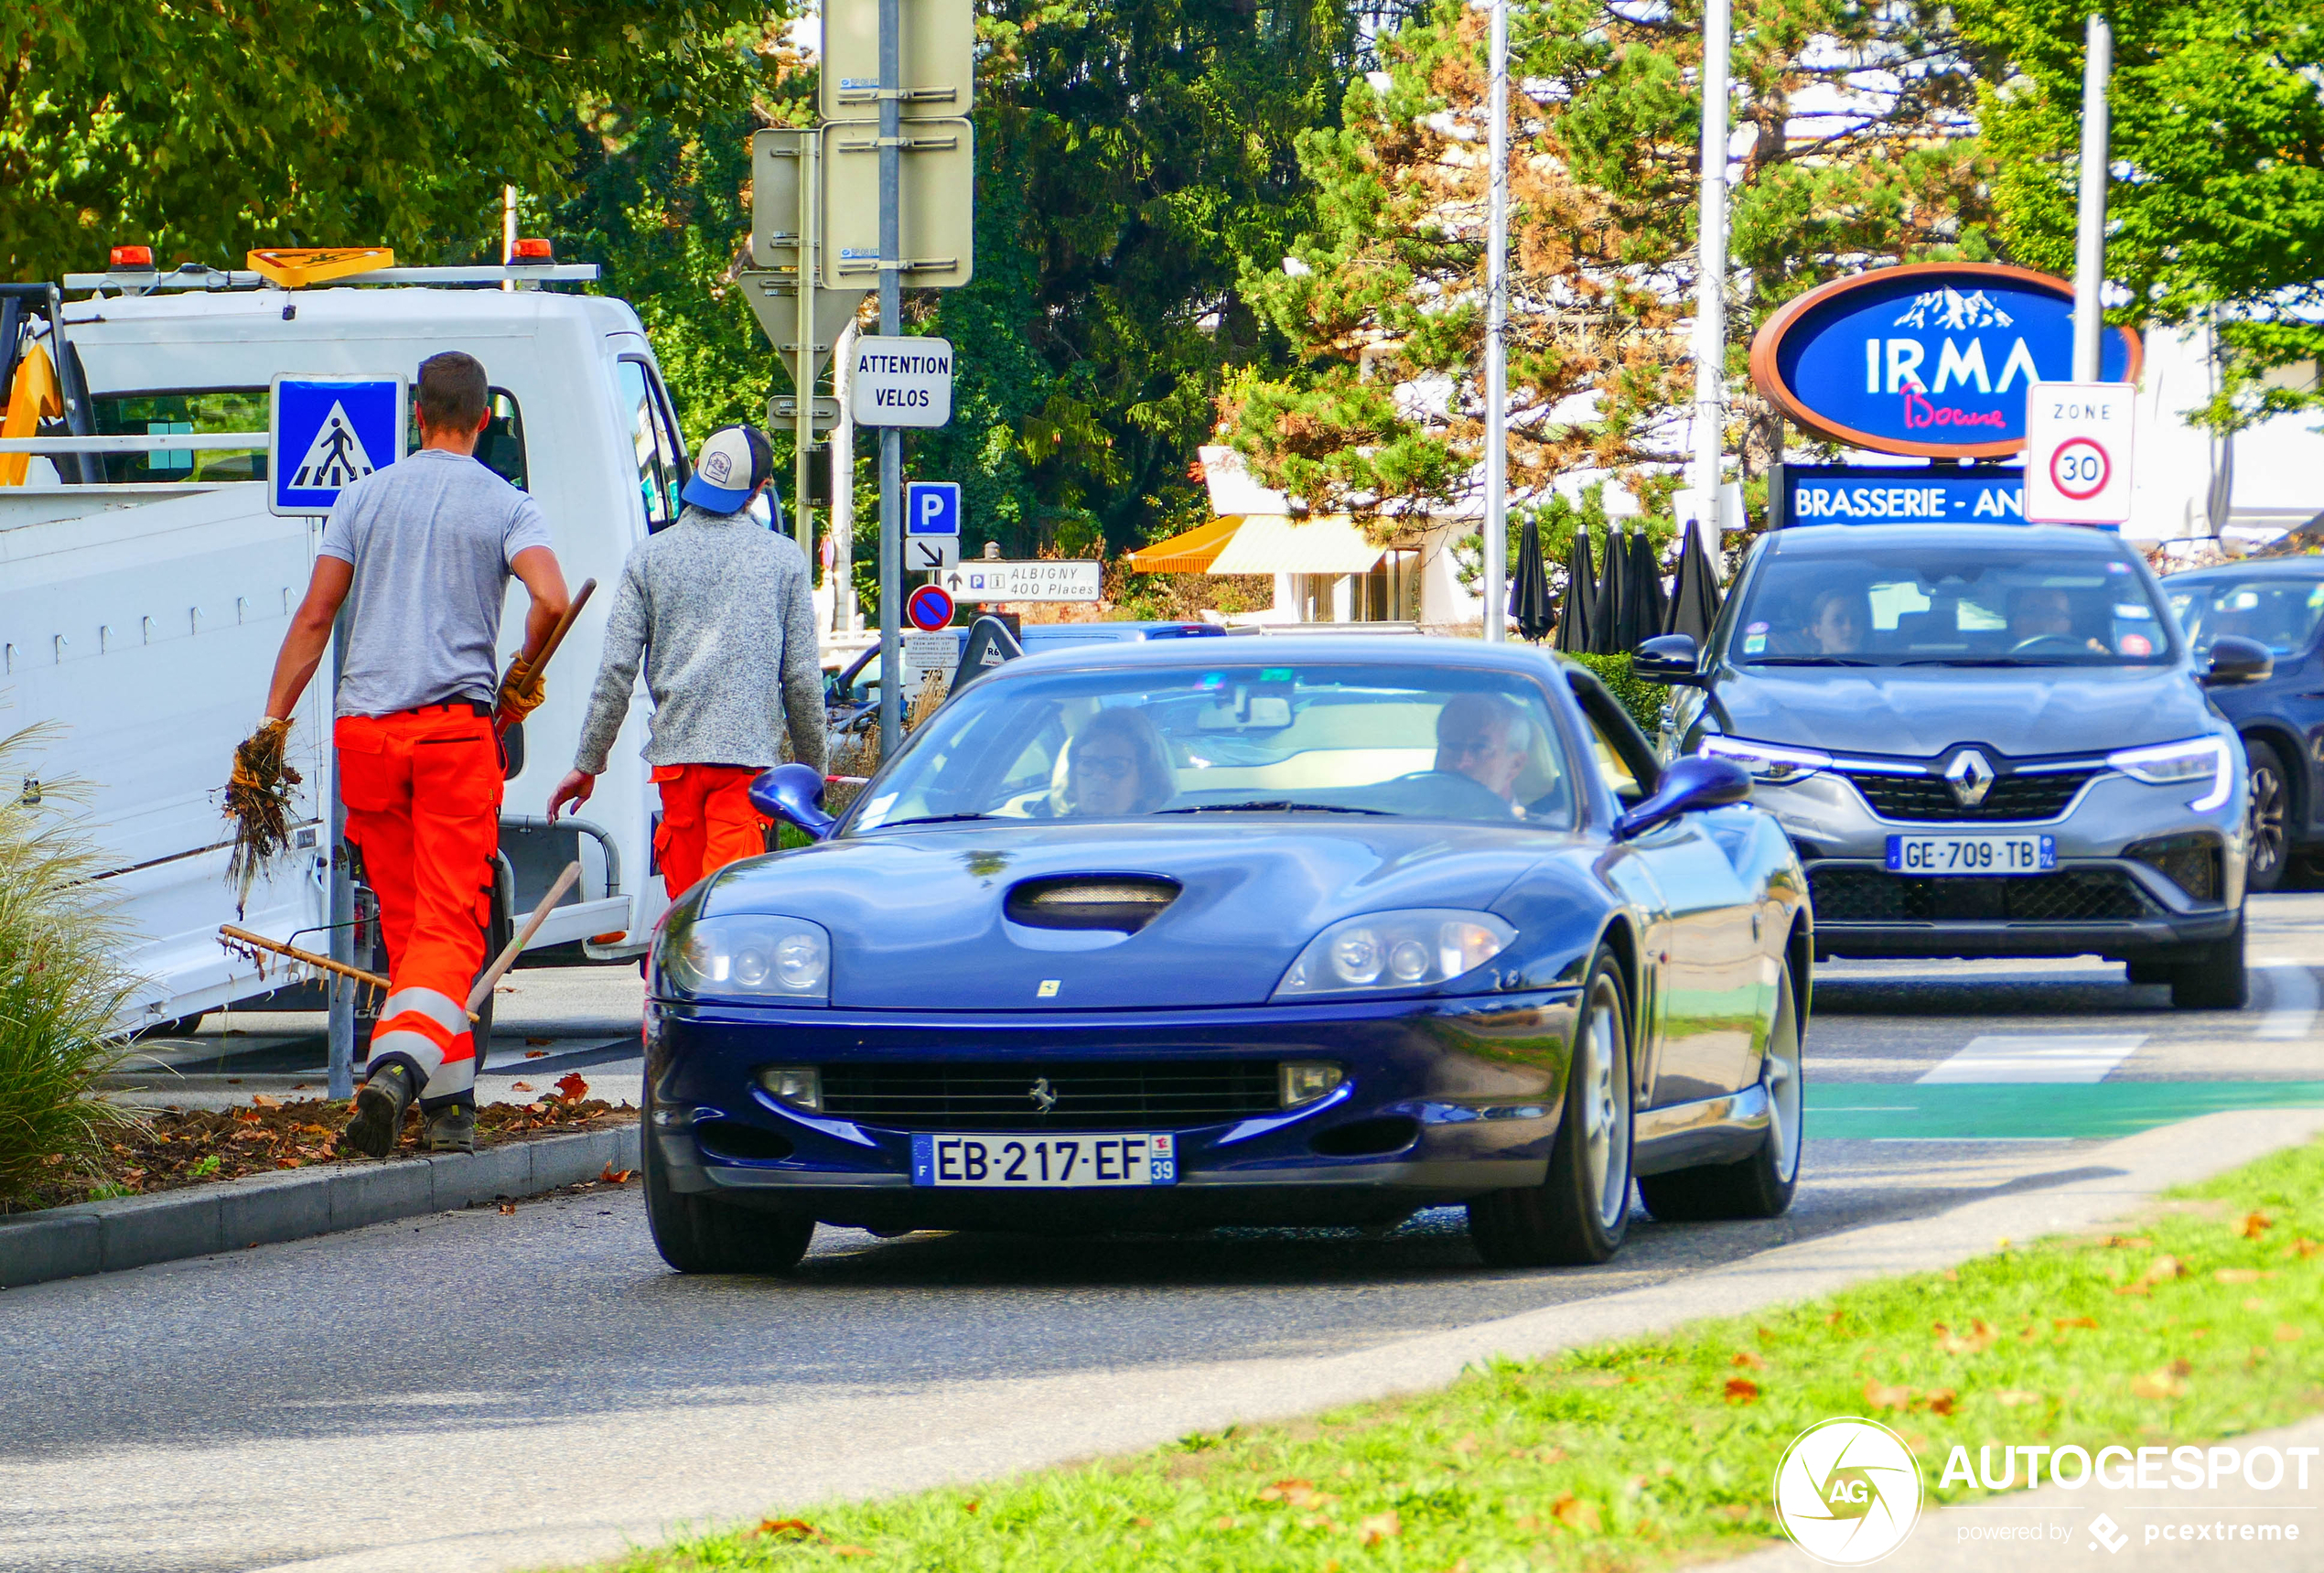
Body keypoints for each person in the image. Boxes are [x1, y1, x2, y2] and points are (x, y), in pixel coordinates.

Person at [253, 351, 570, 1157]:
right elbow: (553, 599)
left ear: (416, 416)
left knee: (407, 927)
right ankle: (395, 1069)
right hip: (452, 738)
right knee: (453, 930)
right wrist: (524, 673)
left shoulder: (361, 497)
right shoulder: (507, 504)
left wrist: (272, 724)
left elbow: (317, 618)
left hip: (366, 735)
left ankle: (452, 1107)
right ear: (485, 418)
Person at [549, 425, 825, 904]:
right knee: (726, 916)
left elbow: (616, 670)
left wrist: (588, 763)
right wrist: (812, 771)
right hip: (747, 772)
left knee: (686, 917)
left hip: (677, 769)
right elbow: (800, 680)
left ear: (698, 473)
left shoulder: (648, 558)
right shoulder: (785, 561)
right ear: (759, 492)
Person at [1051, 706, 1175, 816]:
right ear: (1073, 777)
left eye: (1115, 766)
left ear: (1145, 782)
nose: (1099, 776)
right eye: (1087, 763)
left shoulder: (1166, 839)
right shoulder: (1048, 836)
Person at [1435, 692, 1532, 803]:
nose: (1461, 763)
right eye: (1451, 744)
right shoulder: (1412, 814)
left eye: (1479, 748)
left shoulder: (1544, 821)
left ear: (1515, 764)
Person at [1802, 587, 1870, 654]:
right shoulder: (1800, 665)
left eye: (1855, 620)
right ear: (1817, 630)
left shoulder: (1878, 662)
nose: (1849, 628)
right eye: (1837, 621)